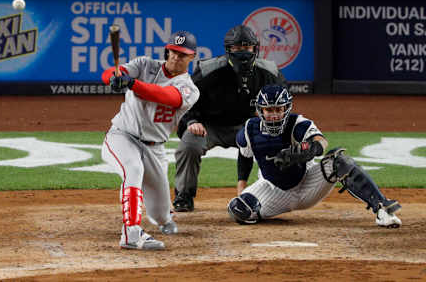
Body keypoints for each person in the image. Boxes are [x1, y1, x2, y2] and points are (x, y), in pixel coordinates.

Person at [227, 84, 402, 228]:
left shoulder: (297, 123)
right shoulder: (249, 130)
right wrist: (241, 187)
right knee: (238, 209)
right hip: (272, 189)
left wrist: (304, 150)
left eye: (278, 109)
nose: (274, 114)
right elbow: (244, 156)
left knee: (340, 161)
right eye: (269, 109)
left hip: (309, 182)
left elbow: (320, 142)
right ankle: (259, 209)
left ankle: (382, 209)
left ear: (286, 108)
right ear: (260, 111)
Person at [101, 30, 200, 250]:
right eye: (173, 51)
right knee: (133, 169)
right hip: (122, 136)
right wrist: (114, 78)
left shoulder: (189, 89)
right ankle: (131, 234)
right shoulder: (145, 64)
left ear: (192, 57)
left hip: (154, 148)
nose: (175, 57)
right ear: (167, 50)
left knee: (161, 214)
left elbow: (165, 96)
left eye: (182, 54)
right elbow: (110, 72)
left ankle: (164, 218)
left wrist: (132, 84)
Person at [173, 24, 287, 212]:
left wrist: (272, 121)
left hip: (247, 126)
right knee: (189, 145)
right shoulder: (209, 70)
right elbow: (185, 98)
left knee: (276, 143)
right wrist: (192, 121)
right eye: (237, 48)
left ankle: (277, 194)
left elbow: (284, 99)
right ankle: (184, 195)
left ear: (254, 48)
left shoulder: (268, 72)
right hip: (208, 126)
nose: (243, 52)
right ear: (228, 50)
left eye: (247, 47)